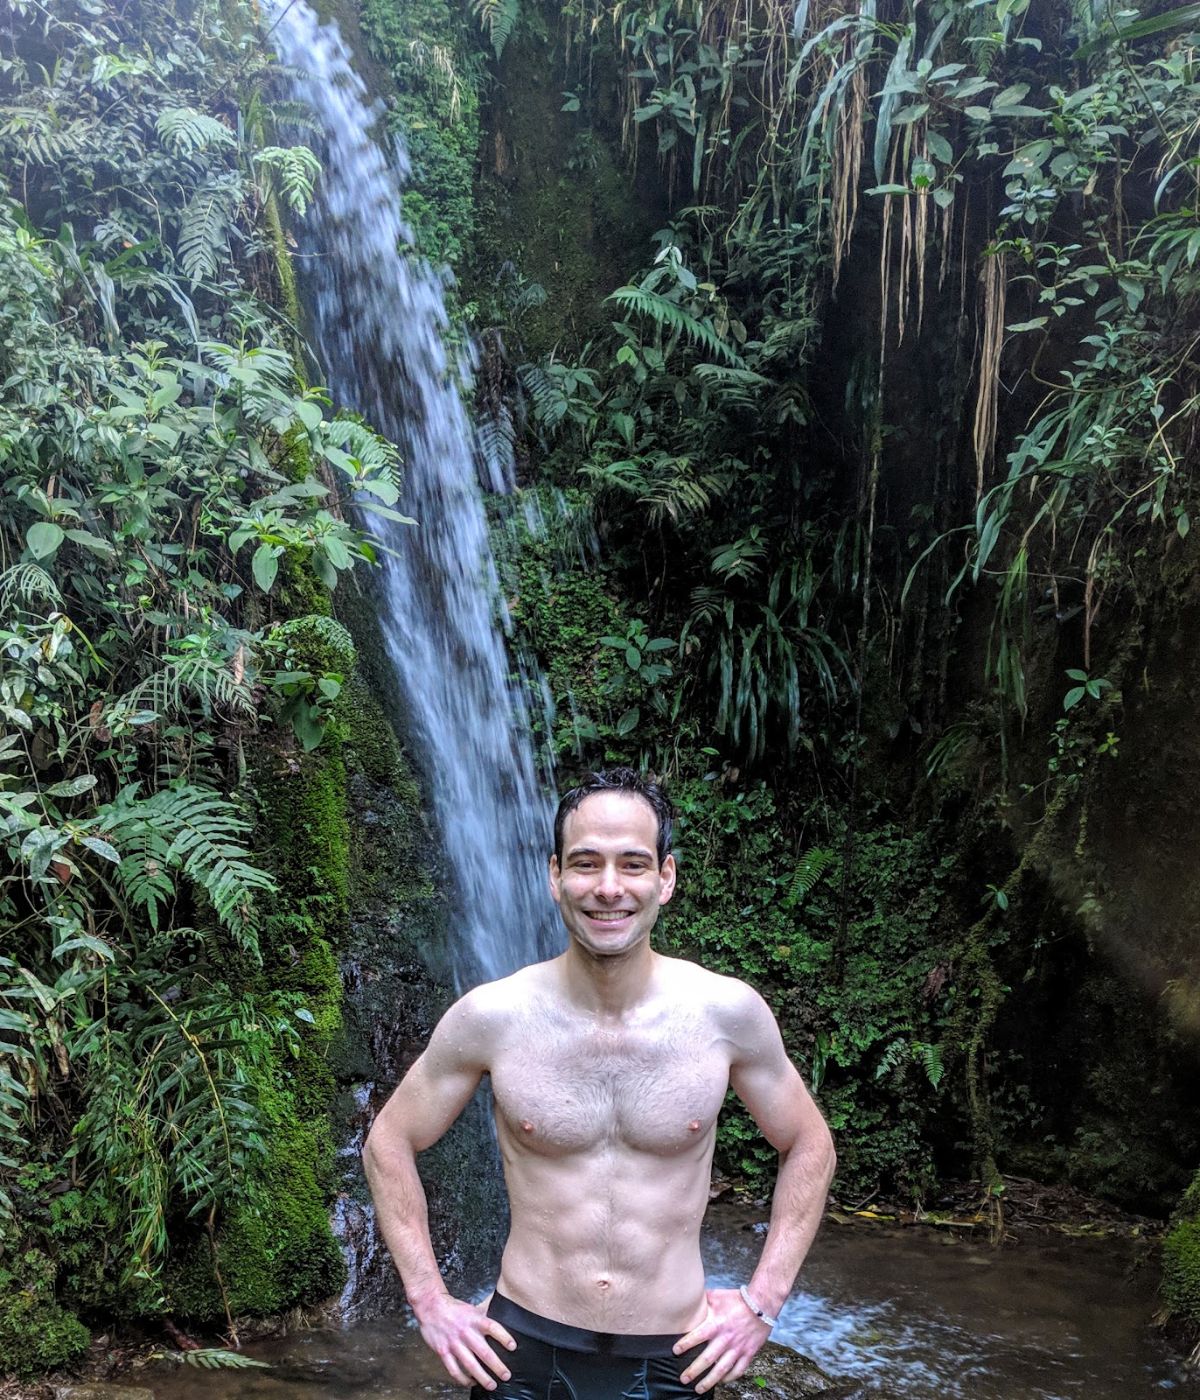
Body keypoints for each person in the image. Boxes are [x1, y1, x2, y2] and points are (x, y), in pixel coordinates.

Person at [363, 768, 836, 1399]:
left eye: (632, 864)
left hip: (675, 1357)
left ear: (665, 878)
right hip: (519, 1353)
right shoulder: (492, 1017)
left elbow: (810, 1145)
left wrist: (762, 1304)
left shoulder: (726, 1014)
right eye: (586, 864)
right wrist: (429, 1300)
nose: (608, 888)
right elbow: (387, 1143)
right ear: (555, 875)